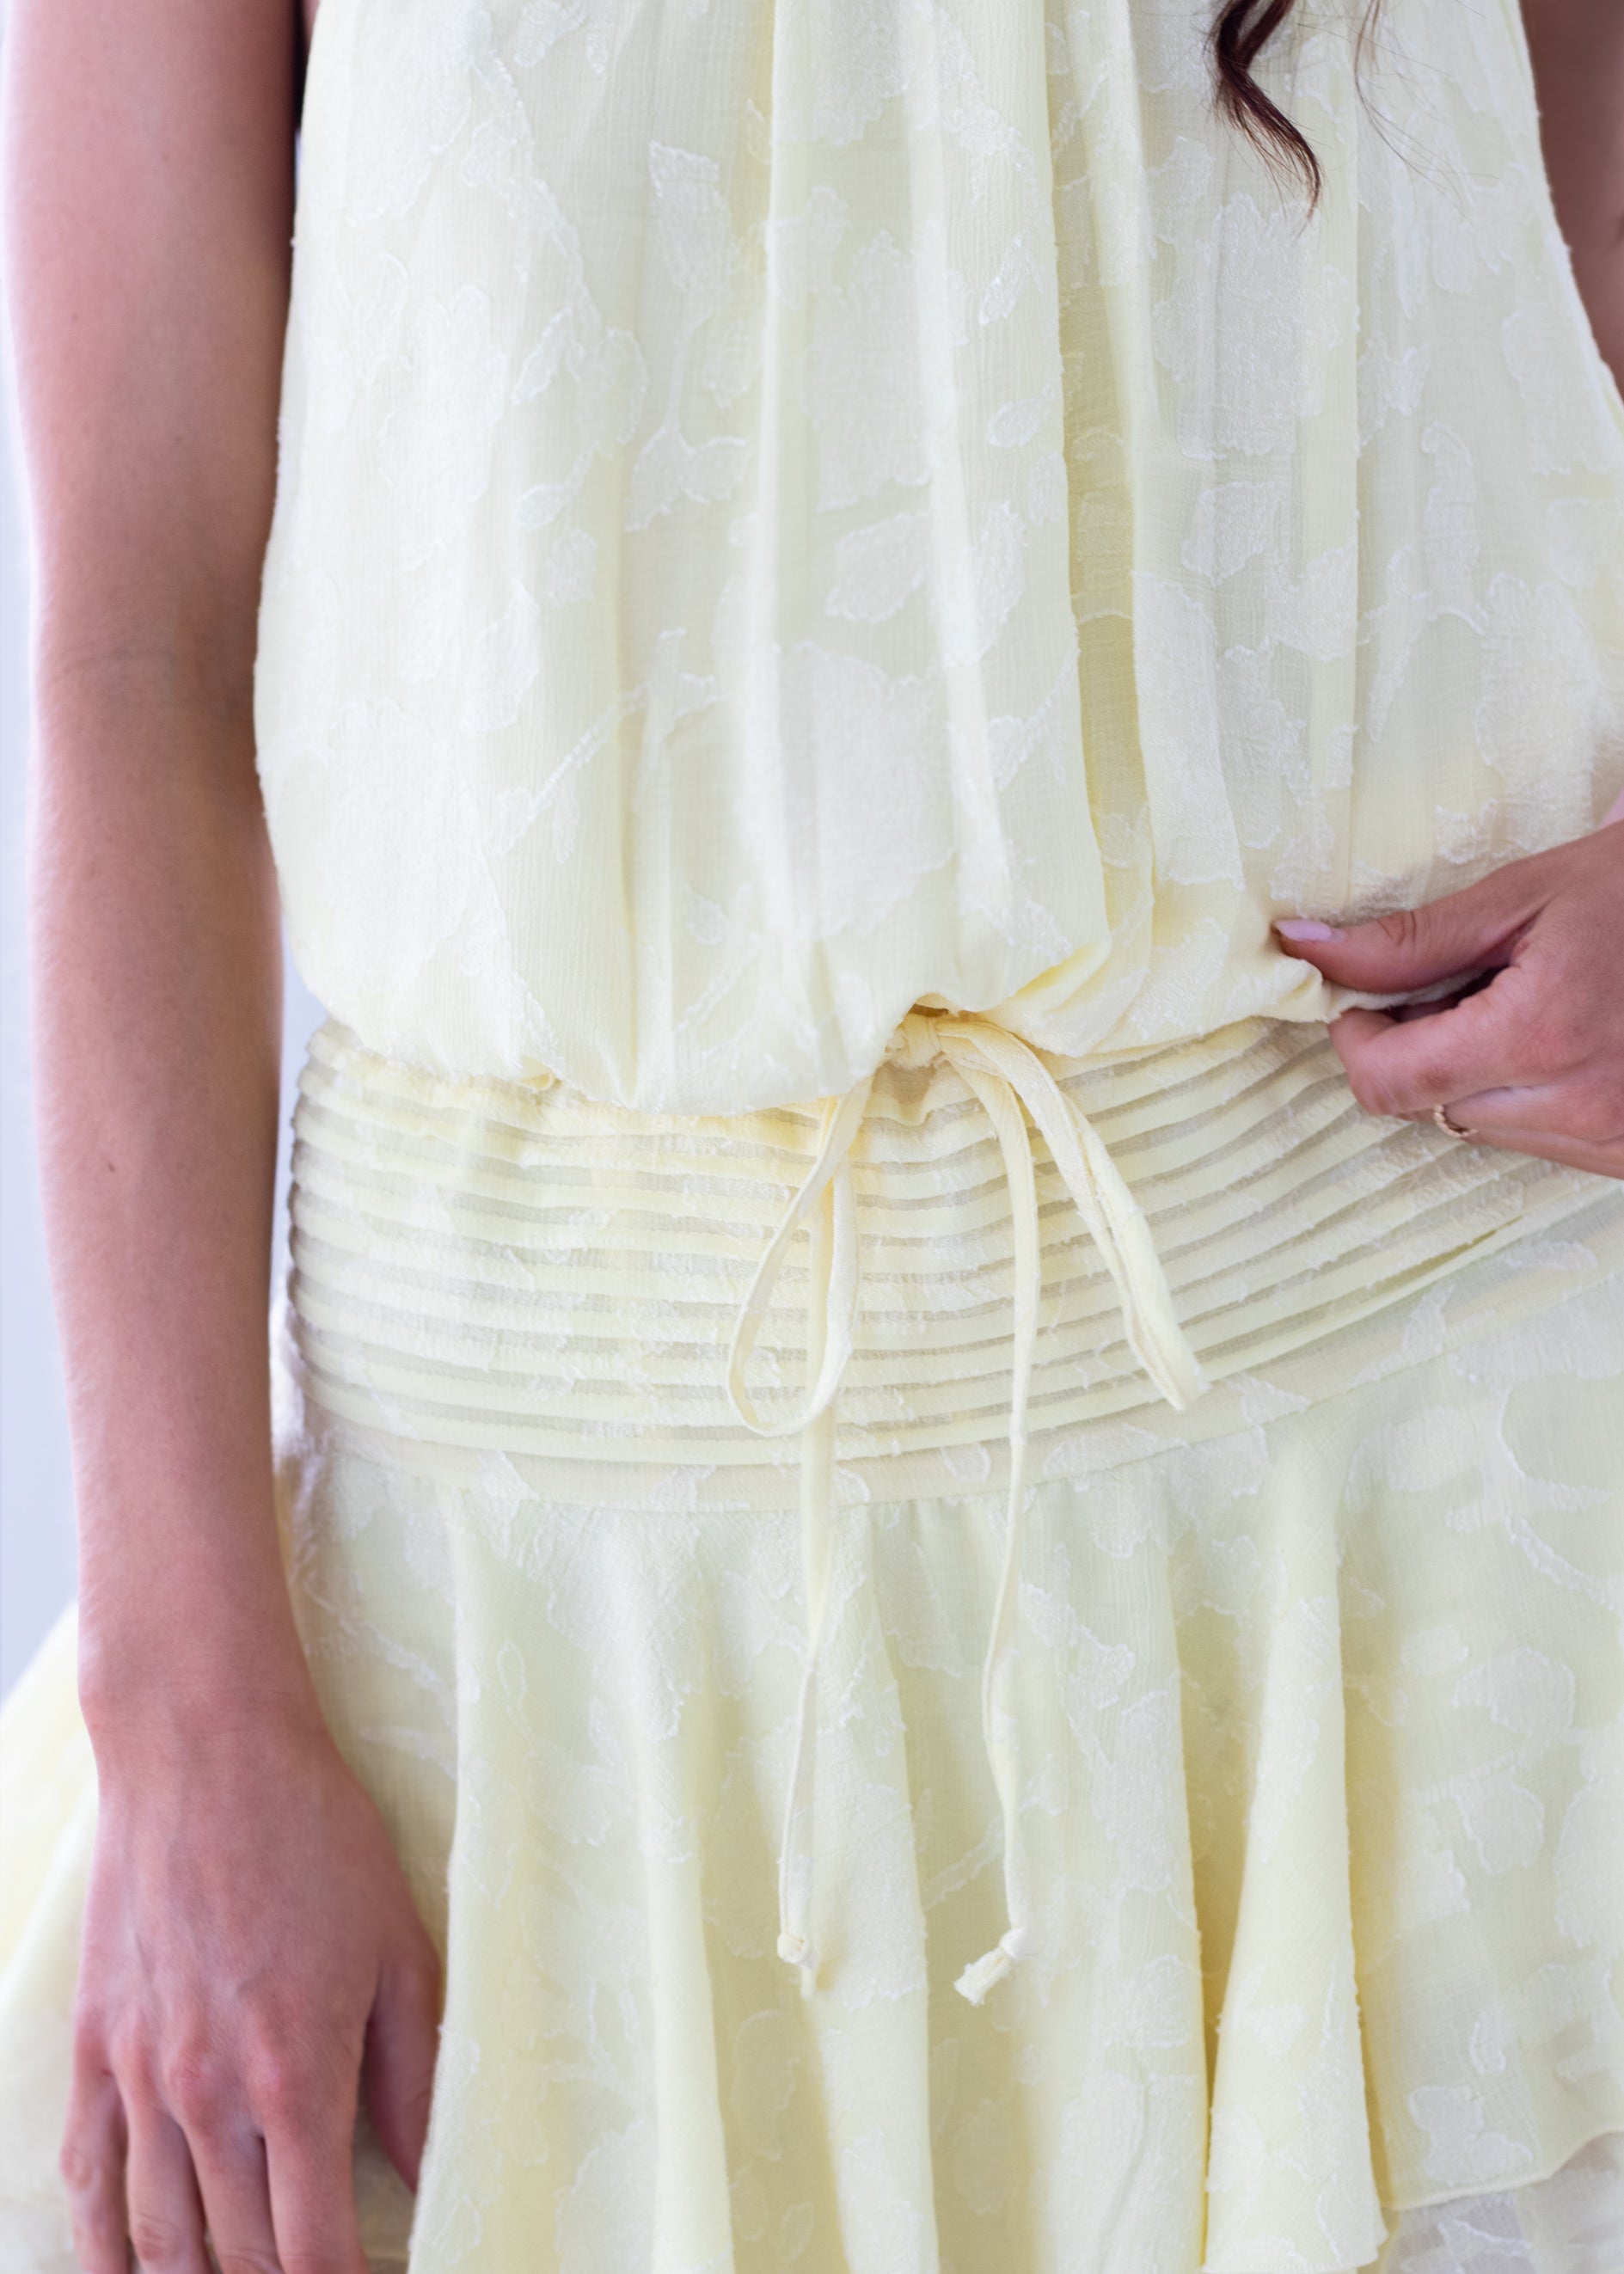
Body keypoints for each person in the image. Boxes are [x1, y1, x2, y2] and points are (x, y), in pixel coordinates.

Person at [1, 0, 1621, 2268]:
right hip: (554, 1697)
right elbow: (131, 654)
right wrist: (186, 1706)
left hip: (1453, 1574)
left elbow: (1566, 246)